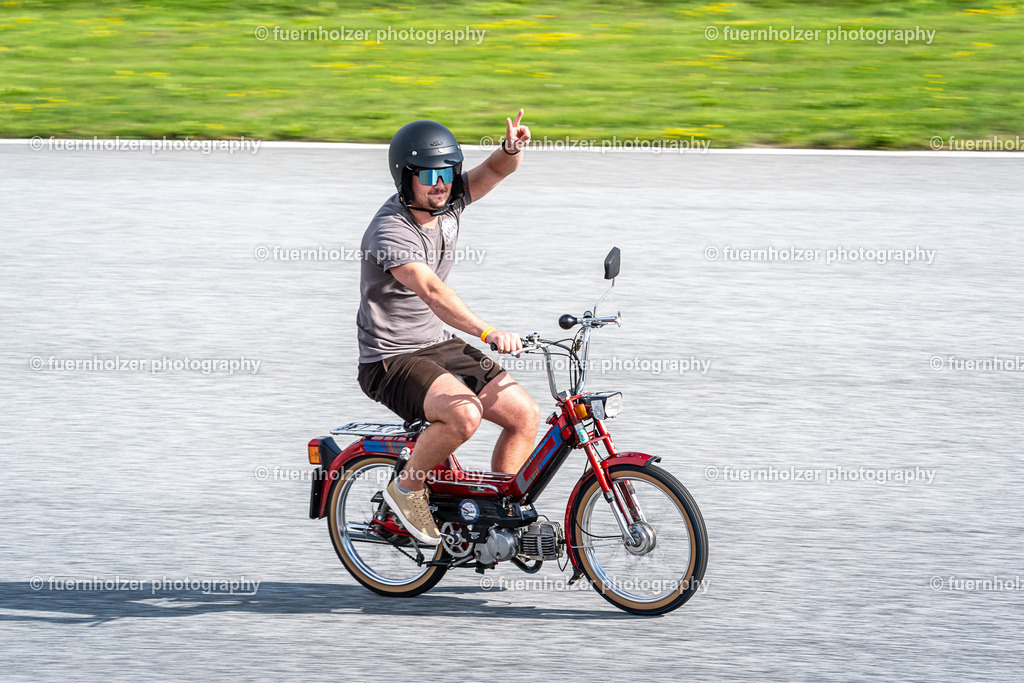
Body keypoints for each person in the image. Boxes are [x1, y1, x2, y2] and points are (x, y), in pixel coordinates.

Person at [356, 110, 541, 546]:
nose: (441, 182)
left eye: (448, 171)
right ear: (406, 178)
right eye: (429, 174)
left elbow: (496, 169)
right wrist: (487, 331)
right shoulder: (390, 231)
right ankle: (406, 491)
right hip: (390, 358)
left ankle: (501, 515)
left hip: (436, 343)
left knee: (523, 415)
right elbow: (433, 292)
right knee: (464, 414)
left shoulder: (449, 200)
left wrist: (510, 149)